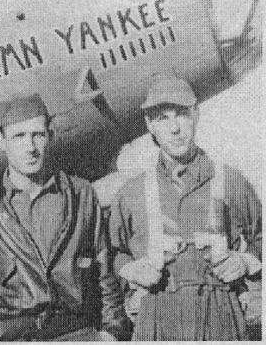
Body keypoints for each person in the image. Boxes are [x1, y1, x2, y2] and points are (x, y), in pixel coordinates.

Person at [0, 93, 131, 341]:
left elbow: (104, 269)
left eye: (37, 135)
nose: (30, 148)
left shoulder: (79, 193)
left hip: (75, 332)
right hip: (13, 336)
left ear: (50, 136)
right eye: (18, 136)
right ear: (1, 141)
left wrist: (113, 331)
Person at [110, 75, 262, 340]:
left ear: (196, 114)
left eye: (181, 114)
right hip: (158, 317)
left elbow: (261, 237)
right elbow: (112, 253)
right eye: (162, 118)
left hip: (221, 315)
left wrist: (244, 261)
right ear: (149, 125)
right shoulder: (132, 194)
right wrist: (131, 270)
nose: (174, 128)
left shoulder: (229, 181)